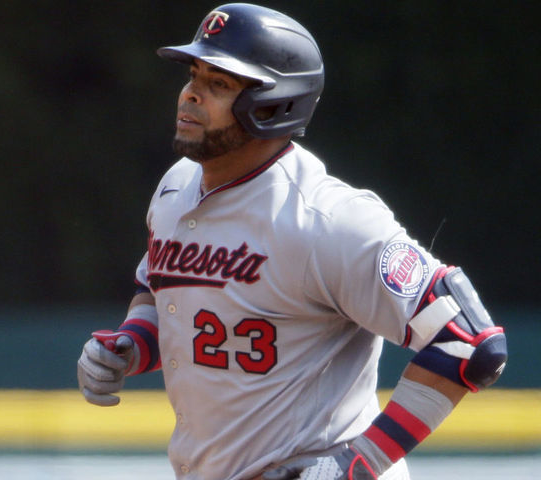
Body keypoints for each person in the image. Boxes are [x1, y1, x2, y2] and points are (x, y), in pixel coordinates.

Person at [77, 4, 507, 480]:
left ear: (273, 102)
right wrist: (134, 341)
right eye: (193, 75)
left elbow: (471, 340)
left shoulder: (326, 218)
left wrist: (361, 462)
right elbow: (158, 281)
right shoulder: (177, 187)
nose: (190, 95)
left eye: (218, 83)